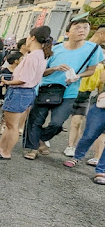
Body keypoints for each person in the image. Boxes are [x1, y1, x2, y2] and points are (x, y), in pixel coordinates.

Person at [23, 19, 104, 160]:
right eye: (77, 27)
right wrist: (55, 68)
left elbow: (91, 70)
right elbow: (40, 71)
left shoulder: (93, 49)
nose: (82, 30)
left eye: (85, 27)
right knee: (36, 120)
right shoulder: (54, 49)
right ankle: (33, 148)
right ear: (67, 32)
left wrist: (78, 75)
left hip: (69, 91)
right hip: (46, 88)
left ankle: (41, 139)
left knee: (57, 123)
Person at [0, 26, 52, 160]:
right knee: (10, 124)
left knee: (12, 126)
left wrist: (8, 82)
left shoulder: (33, 56)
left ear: (32, 38)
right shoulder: (40, 55)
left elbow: (23, 79)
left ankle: (6, 152)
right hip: (25, 92)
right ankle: (0, 146)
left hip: (20, 91)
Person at [64, 26, 105, 156]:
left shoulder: (99, 52)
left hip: (86, 93)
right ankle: (46, 138)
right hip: (71, 88)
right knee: (58, 119)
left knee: (77, 121)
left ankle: (71, 146)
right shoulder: (82, 47)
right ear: (102, 34)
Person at [63, 73, 105, 185]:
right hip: (101, 106)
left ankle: (102, 170)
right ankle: (77, 157)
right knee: (90, 135)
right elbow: (102, 78)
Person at [0, 51, 23, 134]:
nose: (23, 60)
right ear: (16, 61)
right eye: (22, 59)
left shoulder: (20, 72)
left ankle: (1, 126)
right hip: (1, 94)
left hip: (11, 95)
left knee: (6, 113)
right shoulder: (4, 71)